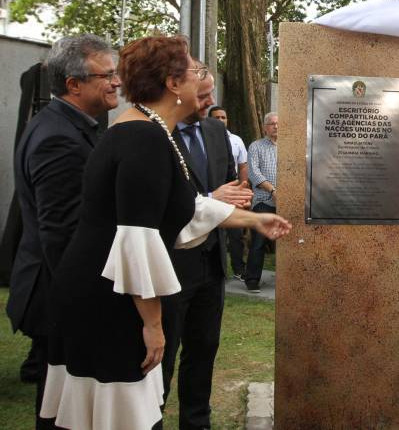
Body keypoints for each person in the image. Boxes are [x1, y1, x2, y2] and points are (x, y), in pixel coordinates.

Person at [39, 35, 291, 429]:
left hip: (105, 290)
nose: (200, 81)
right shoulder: (144, 139)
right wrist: (154, 326)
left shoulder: (149, 131)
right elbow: (137, 239)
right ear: (173, 84)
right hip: (109, 301)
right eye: (192, 71)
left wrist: (254, 219)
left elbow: (184, 204)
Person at [6, 34, 119, 429]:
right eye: (107, 75)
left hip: (60, 289)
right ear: (74, 84)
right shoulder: (58, 138)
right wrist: (90, 302)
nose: (117, 82)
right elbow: (64, 235)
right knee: (59, 404)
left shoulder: (68, 126)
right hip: (60, 293)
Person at [162, 65, 253, 429]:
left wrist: (233, 201)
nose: (210, 102)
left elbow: (224, 185)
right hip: (170, 261)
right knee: (164, 352)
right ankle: (152, 415)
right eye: (201, 95)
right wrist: (210, 198)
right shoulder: (154, 132)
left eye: (211, 93)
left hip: (211, 263)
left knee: (203, 349)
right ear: (175, 89)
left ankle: (197, 421)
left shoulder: (217, 131)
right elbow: (160, 199)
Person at [209, 104, 249, 279]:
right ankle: (216, 271)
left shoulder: (236, 141)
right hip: (211, 192)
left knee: (236, 234)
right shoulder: (204, 138)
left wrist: (242, 190)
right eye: (216, 117)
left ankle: (239, 269)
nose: (220, 120)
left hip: (232, 191)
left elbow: (242, 166)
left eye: (223, 117)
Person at [245, 112, 279, 293]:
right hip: (263, 201)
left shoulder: (290, 147)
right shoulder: (256, 146)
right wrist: (272, 191)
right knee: (258, 242)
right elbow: (253, 173)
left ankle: (287, 281)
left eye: (278, 123)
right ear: (265, 127)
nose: (276, 126)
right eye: (272, 123)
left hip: (287, 202)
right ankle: (251, 280)